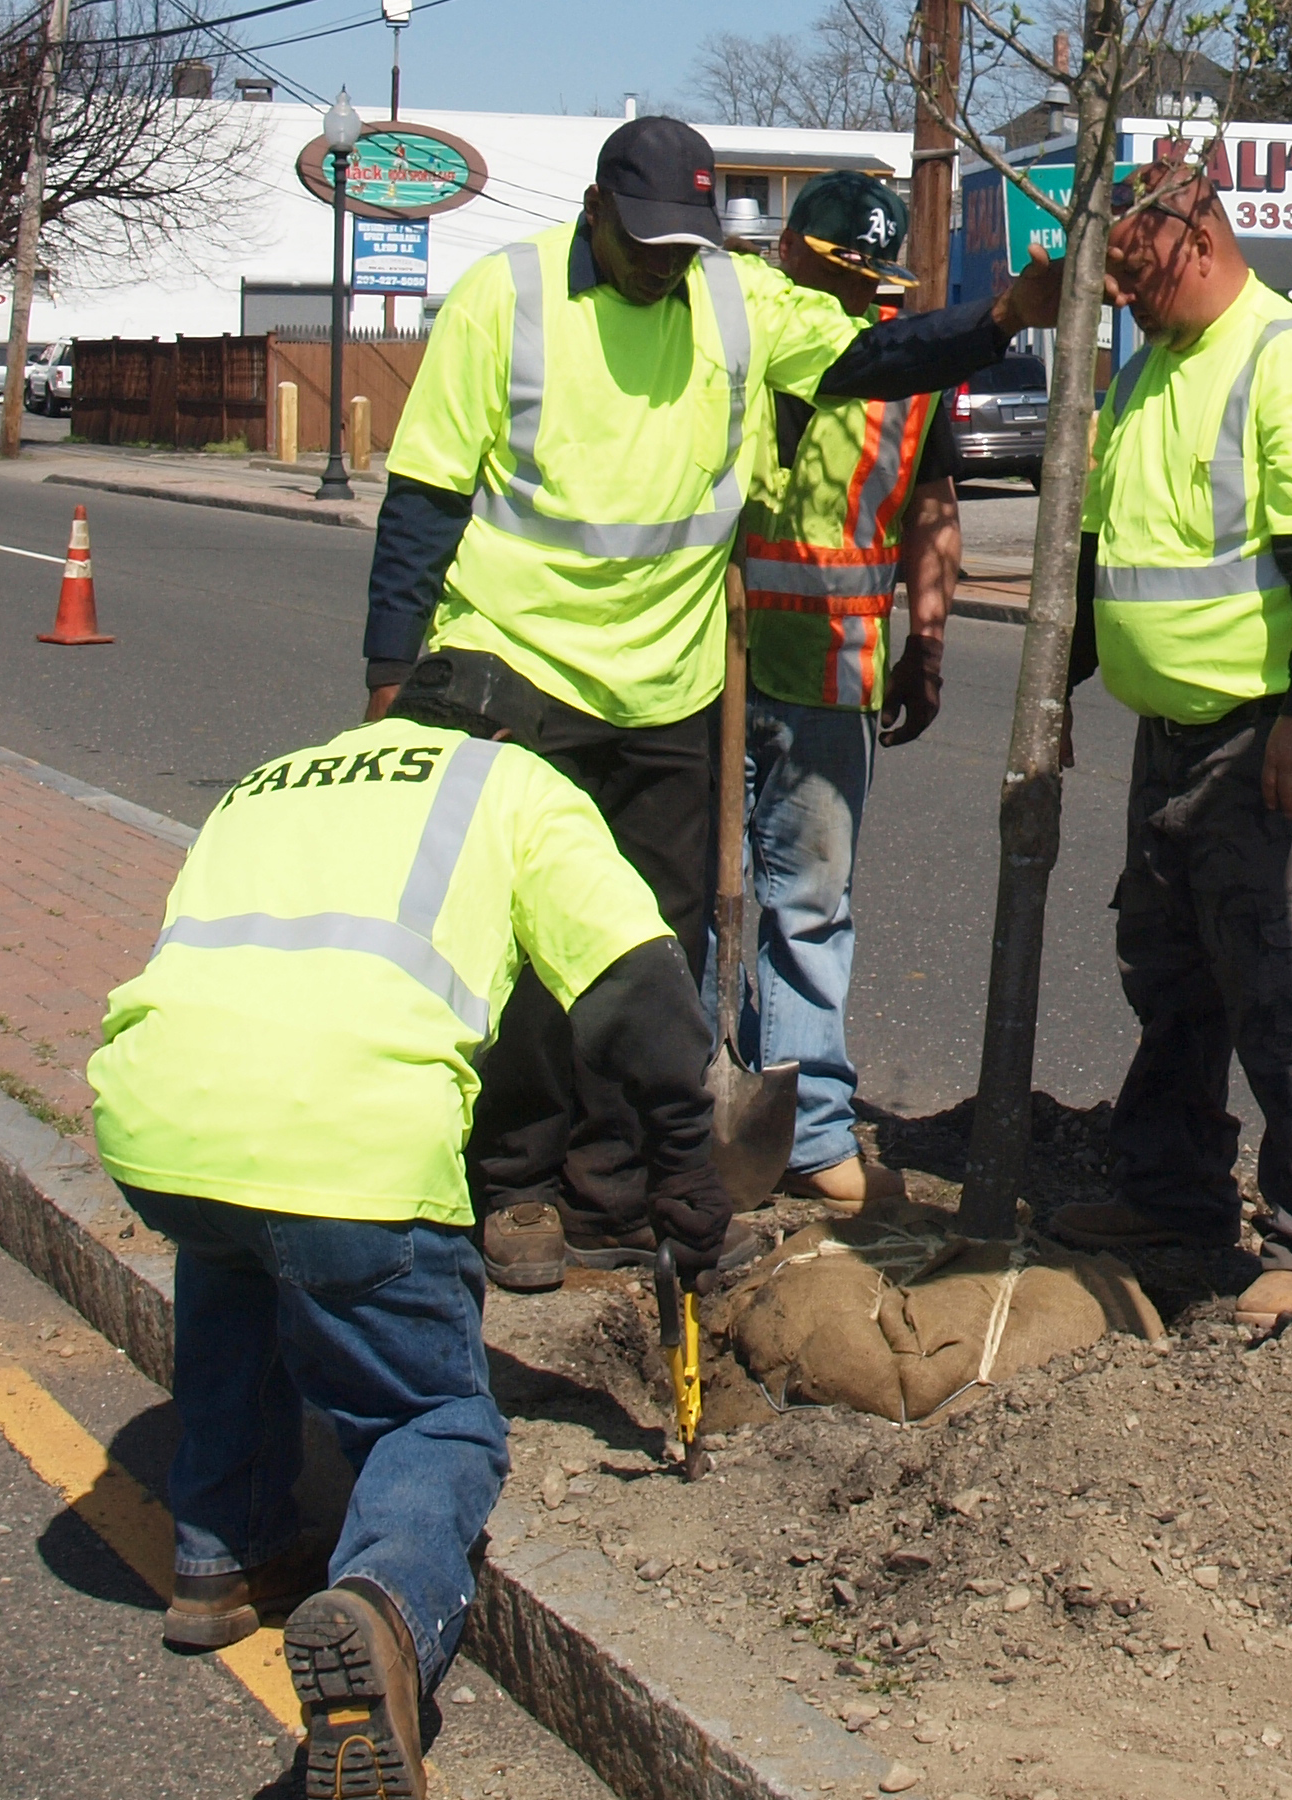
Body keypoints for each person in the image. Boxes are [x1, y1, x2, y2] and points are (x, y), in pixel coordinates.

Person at [366, 114, 1055, 1294]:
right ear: (596, 211)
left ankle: (613, 1187)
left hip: (670, 680)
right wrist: (389, 678)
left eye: (684, 244)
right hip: (520, 664)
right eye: (644, 244)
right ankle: (519, 1185)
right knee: (531, 944)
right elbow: (424, 498)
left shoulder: (734, 300)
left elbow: (871, 360)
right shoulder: (505, 300)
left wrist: (996, 320)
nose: (664, 264)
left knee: (652, 945)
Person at [87, 650, 725, 1796]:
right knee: (432, 1415)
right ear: (511, 739)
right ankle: (383, 1606)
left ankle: (218, 1555)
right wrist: (685, 1176)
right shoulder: (517, 788)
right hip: (351, 1146)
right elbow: (638, 991)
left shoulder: (274, 778)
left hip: (157, 1122)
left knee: (235, 1261)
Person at [1040, 156, 1292, 1335]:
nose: (1124, 296)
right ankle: (1171, 1198)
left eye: (1134, 273)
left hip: (1276, 734)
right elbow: (1105, 564)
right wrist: (1062, 685)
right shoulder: (1150, 370)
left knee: (1291, 984)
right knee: (1174, 976)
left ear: (1195, 236)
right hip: (1176, 736)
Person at [732, 169, 964, 1210]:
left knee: (762, 908)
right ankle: (790, 1129)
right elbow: (937, 513)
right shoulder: (752, 337)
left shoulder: (752, 338)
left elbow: (931, 507)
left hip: (774, 674)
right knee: (794, 910)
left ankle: (793, 1128)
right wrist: (927, 641)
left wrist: (927, 639)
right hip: (761, 672)